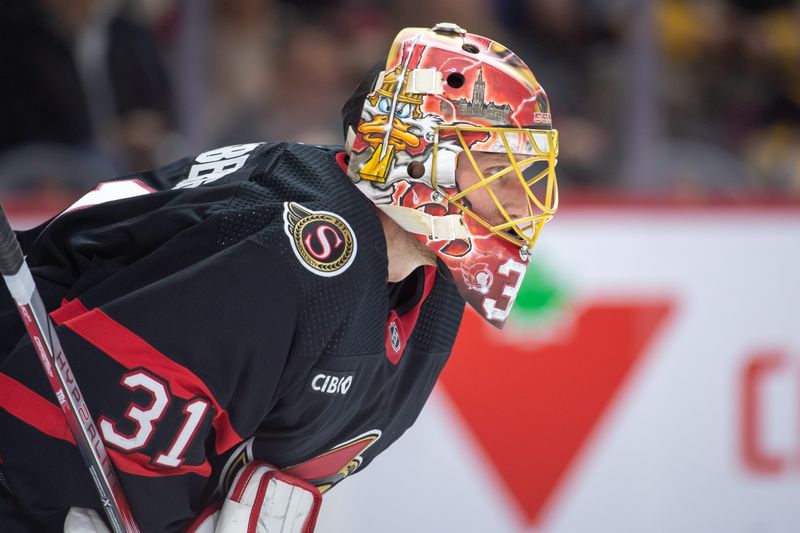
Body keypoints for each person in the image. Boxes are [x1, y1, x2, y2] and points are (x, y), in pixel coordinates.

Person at [0, 23, 558, 532]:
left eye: (528, 175)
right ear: (415, 150)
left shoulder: (432, 295)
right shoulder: (304, 249)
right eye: (496, 170)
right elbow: (48, 413)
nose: (520, 198)